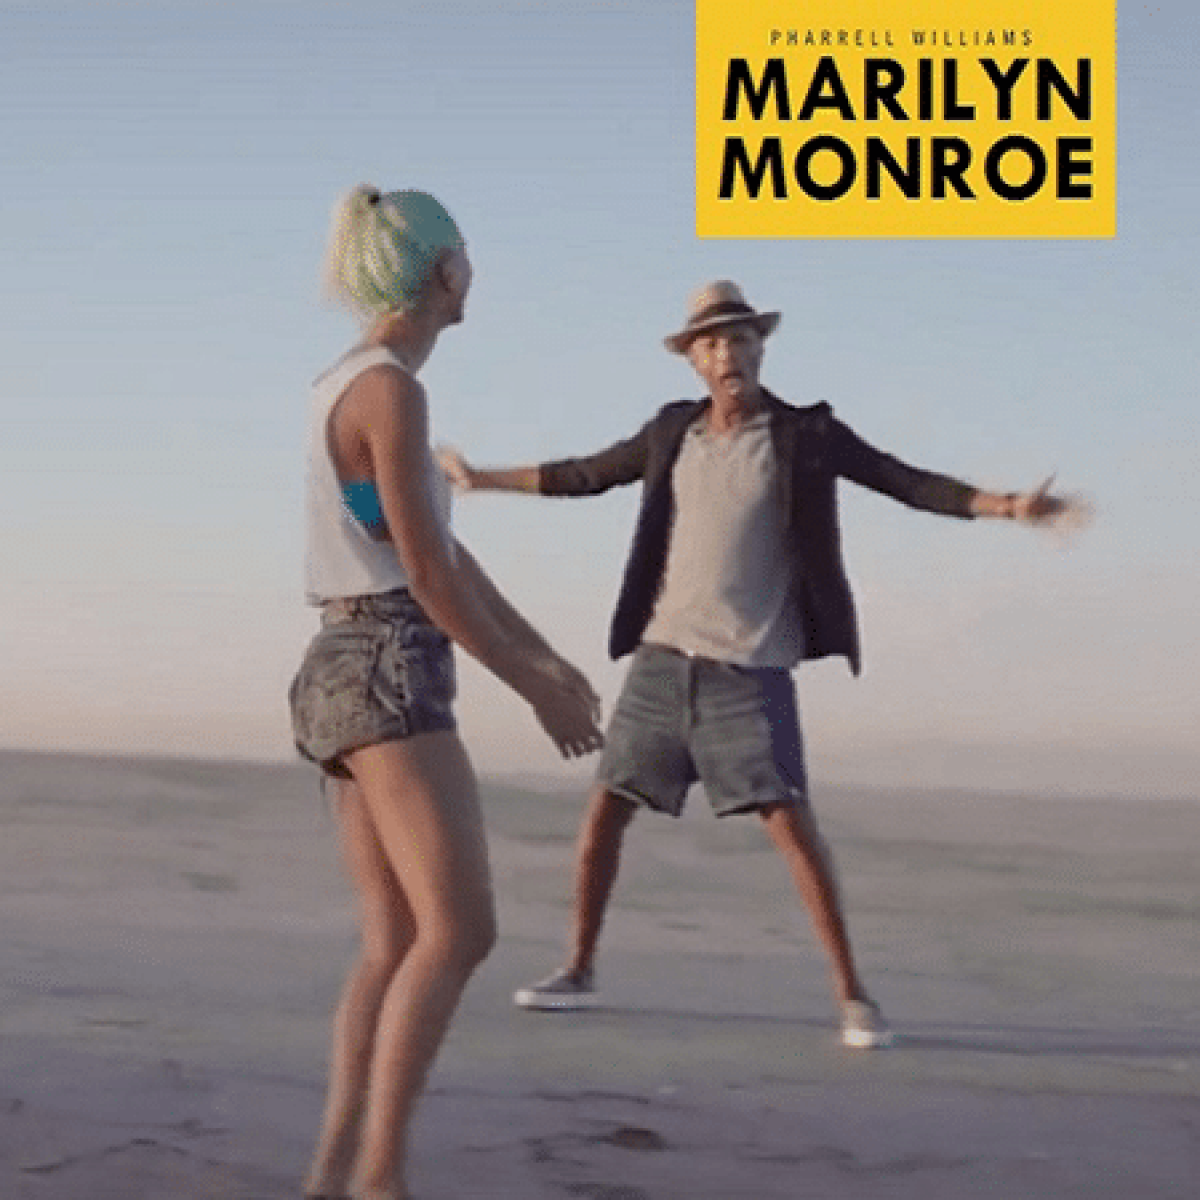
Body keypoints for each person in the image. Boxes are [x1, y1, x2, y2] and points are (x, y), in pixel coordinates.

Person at [440, 280, 1089, 1052]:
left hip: (748, 670)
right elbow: (584, 474)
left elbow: (904, 480)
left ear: (760, 348)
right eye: (711, 343)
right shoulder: (672, 432)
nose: (727, 354)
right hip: (661, 660)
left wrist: (1007, 507)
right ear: (693, 360)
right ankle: (578, 971)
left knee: (793, 831)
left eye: (739, 339)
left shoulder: (806, 434)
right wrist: (482, 478)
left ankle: (853, 996)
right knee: (604, 815)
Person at [288, 185, 603, 1200]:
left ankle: (334, 1176)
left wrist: (543, 655)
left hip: (340, 661)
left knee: (394, 940)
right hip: (387, 660)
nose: (475, 273)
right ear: (443, 271)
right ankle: (380, 1179)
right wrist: (533, 691)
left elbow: (436, 553)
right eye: (467, 255)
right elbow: (423, 575)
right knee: (460, 932)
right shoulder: (390, 392)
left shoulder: (345, 384)